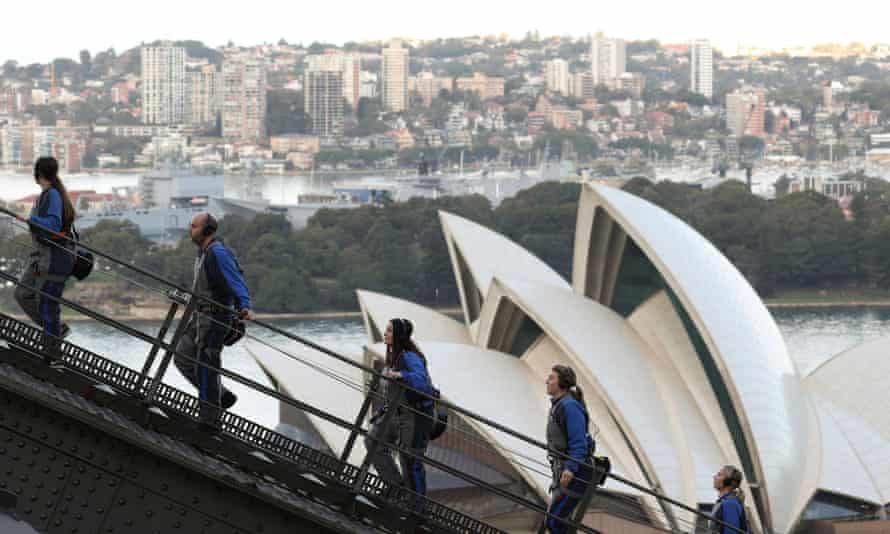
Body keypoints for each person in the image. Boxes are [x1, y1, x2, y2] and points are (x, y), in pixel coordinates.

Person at [174, 213, 253, 430]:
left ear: (207, 231)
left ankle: (210, 418)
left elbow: (235, 278)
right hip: (200, 315)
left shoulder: (218, 253)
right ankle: (221, 396)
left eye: (194, 226)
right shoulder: (203, 253)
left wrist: (244, 304)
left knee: (206, 364)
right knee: (182, 355)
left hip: (215, 318)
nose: (190, 229)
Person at [364, 318, 436, 510]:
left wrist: (401, 375)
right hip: (394, 413)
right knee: (373, 441)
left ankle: (417, 507)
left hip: (415, 415)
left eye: (389, 331)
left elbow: (422, 382)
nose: (385, 334)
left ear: (399, 335)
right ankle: (396, 488)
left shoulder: (409, 356)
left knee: (410, 459)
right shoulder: (392, 356)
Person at [14, 157, 76, 359]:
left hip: (51, 257)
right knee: (27, 295)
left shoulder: (52, 195)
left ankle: (53, 348)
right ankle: (55, 336)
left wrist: (31, 219)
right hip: (45, 256)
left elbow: (52, 225)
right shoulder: (53, 194)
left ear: (37, 173)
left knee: (43, 302)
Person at [543, 364, 596, 534]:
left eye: (551, 378)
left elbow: (578, 442)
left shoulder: (569, 406)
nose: (547, 381)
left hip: (576, 472)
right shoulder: (559, 405)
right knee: (557, 522)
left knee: (555, 522)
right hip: (565, 470)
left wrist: (570, 469)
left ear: (562, 383)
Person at [711, 465, 747, 534]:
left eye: (719, 475)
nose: (714, 477)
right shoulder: (725, 501)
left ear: (728, 481)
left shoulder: (730, 504)